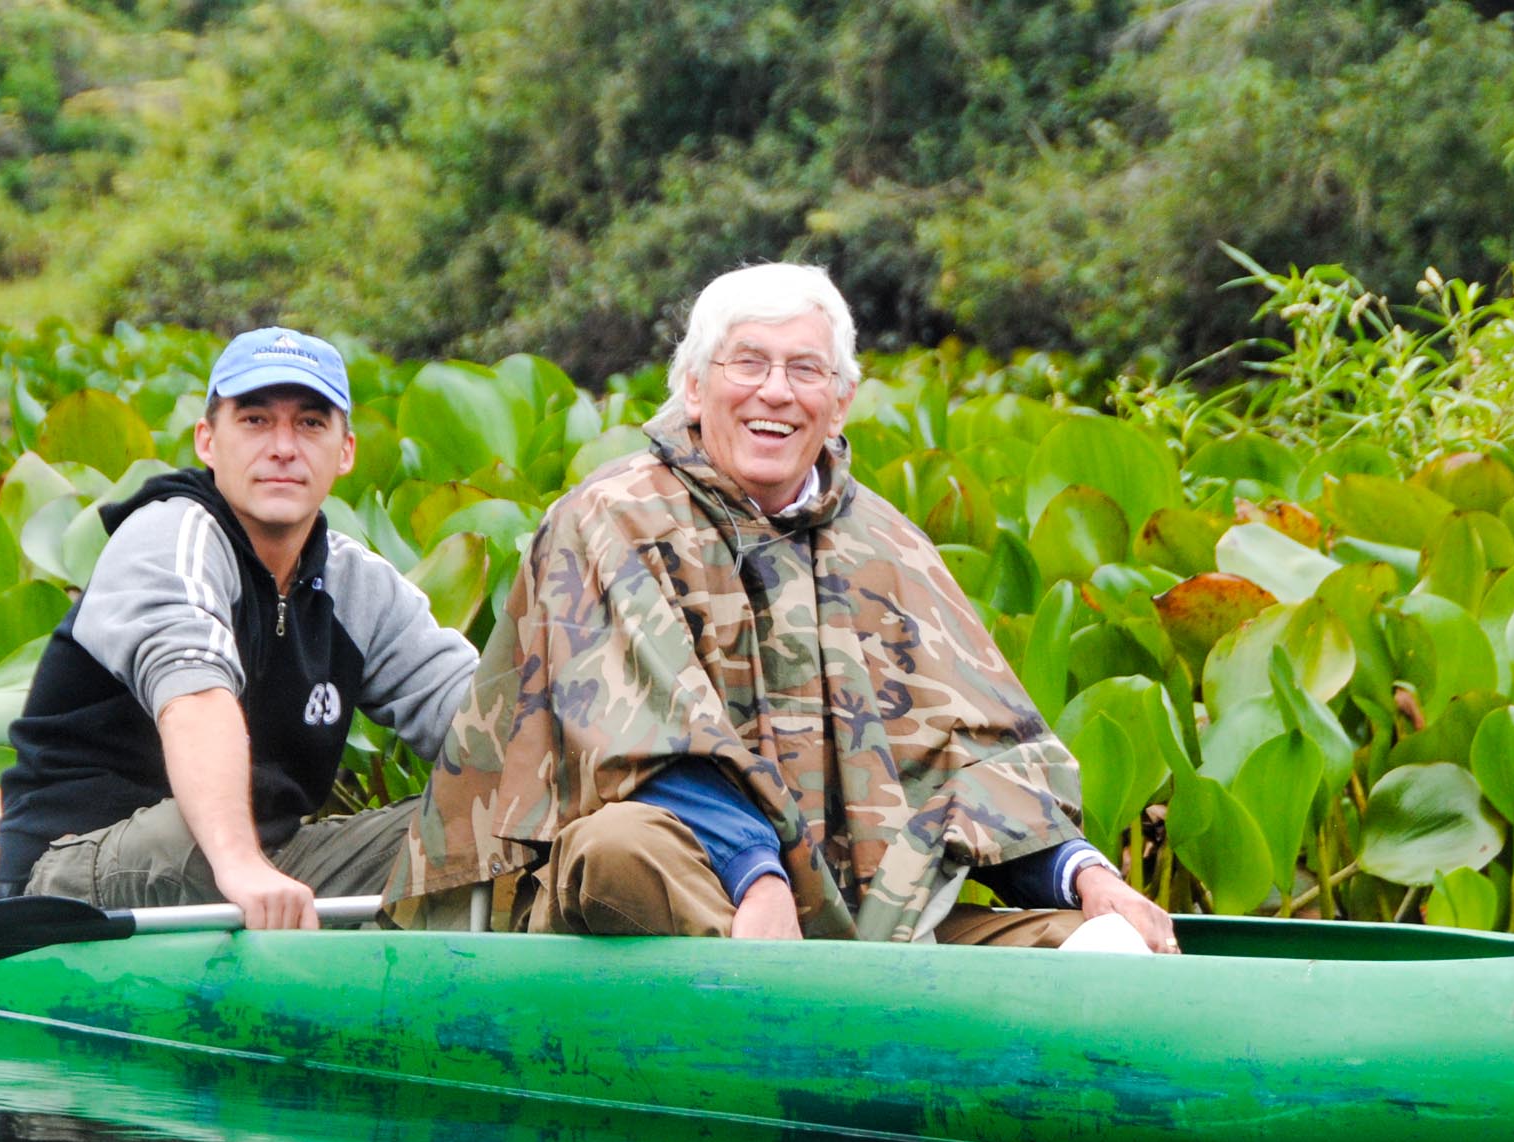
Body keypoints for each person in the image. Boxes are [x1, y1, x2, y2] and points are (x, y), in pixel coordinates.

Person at [386, 264, 1177, 951]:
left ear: (840, 402)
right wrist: (755, 875)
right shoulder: (610, 517)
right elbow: (638, 746)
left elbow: (981, 758)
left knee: (1100, 938)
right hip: (680, 888)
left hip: (859, 915)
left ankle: (869, 988)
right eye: (748, 364)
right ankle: (781, 981)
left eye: (806, 370)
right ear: (694, 388)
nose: (776, 392)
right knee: (618, 846)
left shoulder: (889, 546)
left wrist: (1083, 875)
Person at [0, 327, 476, 928]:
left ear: (345, 450)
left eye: (309, 424)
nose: (282, 447)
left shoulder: (361, 584)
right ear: (207, 441)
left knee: (483, 827)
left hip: (263, 862)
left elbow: (484, 714)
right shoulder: (169, 535)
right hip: (77, 869)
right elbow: (194, 699)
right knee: (192, 832)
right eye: (253, 421)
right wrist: (241, 864)